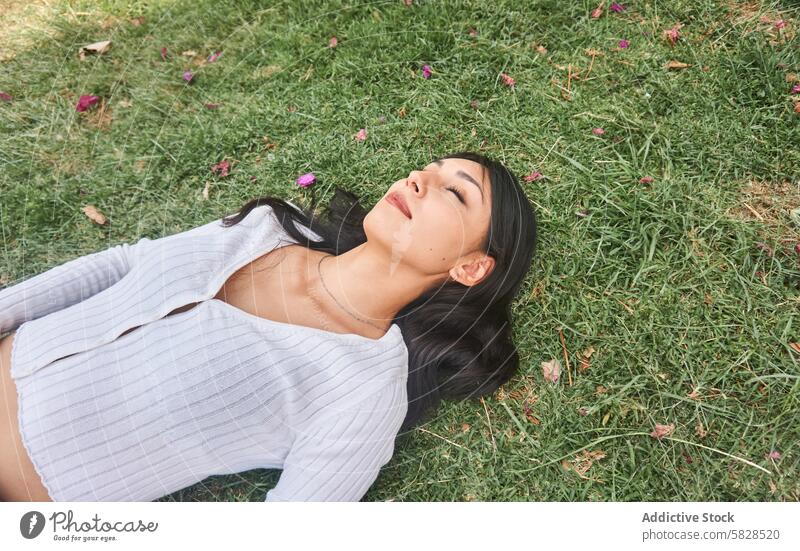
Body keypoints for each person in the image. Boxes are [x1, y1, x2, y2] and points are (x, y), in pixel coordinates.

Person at [0, 151, 537, 502]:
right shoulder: (272, 229)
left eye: (455, 192)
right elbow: (121, 265)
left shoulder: (363, 388)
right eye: (431, 169)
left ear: (469, 268)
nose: (419, 179)